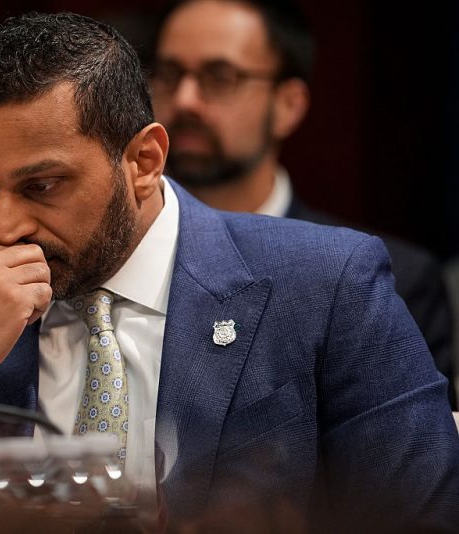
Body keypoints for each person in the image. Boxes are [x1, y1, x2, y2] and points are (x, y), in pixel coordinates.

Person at [0, 11, 459, 530]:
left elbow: (418, 515)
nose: (4, 226)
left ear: (144, 161)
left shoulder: (325, 287)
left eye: (41, 186)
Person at [150, 0, 457, 408]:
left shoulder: (392, 277)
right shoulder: (112, 258)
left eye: (220, 77)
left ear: (288, 105)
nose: (185, 99)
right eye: (169, 75)